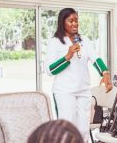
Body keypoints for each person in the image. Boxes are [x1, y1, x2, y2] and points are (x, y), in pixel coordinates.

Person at [45, 8, 112, 141]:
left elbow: (95, 58)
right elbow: (50, 70)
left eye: (76, 20)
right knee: (67, 128)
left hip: (83, 90)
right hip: (64, 92)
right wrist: (67, 56)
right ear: (62, 22)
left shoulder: (84, 40)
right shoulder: (55, 42)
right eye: (71, 21)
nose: (75, 23)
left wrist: (105, 73)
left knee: (83, 129)